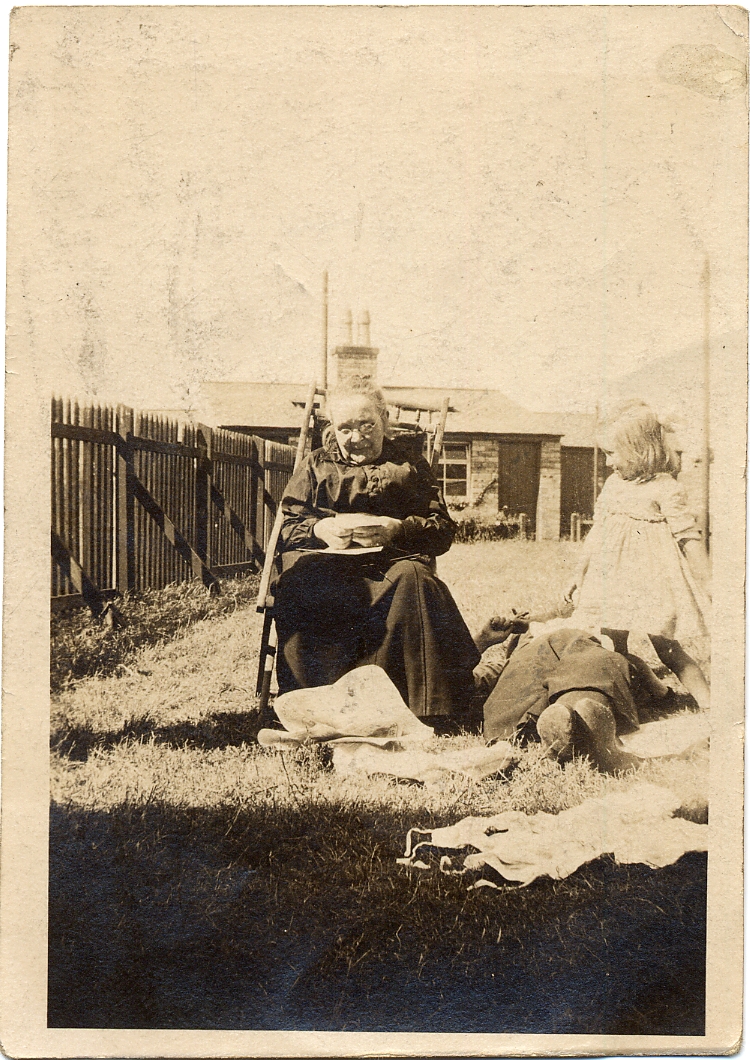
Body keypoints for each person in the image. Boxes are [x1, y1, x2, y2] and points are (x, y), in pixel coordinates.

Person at [273, 377, 481, 726]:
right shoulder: (315, 465)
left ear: (384, 419)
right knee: (300, 583)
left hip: (390, 565)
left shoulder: (410, 465)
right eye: (345, 428)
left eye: (367, 424)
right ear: (332, 428)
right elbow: (289, 526)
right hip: (325, 564)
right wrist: (321, 529)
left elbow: (442, 530)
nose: (356, 437)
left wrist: (397, 528)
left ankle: (423, 711)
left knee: (416, 579)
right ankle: (314, 709)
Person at [562, 400, 711, 709]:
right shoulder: (613, 485)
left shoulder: (666, 488)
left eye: (612, 453)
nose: (607, 463)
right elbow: (598, 532)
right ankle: (644, 697)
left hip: (652, 581)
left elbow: (688, 537)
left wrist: (709, 582)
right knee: (612, 645)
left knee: (667, 648)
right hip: (613, 581)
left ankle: (710, 703)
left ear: (640, 450)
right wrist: (578, 573)